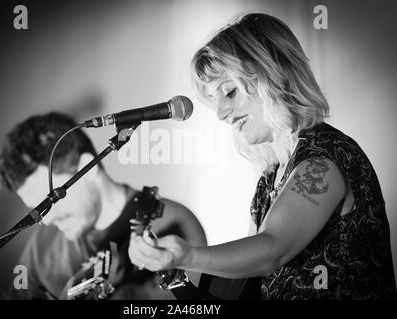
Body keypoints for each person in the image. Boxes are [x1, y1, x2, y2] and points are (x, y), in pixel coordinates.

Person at [128, 13, 397, 299]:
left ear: (272, 77)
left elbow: (273, 249)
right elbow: (249, 284)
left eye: (229, 92)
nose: (220, 113)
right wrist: (172, 271)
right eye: (214, 100)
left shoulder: (323, 161)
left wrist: (188, 255)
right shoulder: (269, 180)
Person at [0, 112, 206, 300]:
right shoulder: (40, 244)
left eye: (50, 201)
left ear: (87, 168)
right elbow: (15, 291)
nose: (47, 219)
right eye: (38, 208)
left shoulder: (172, 225)